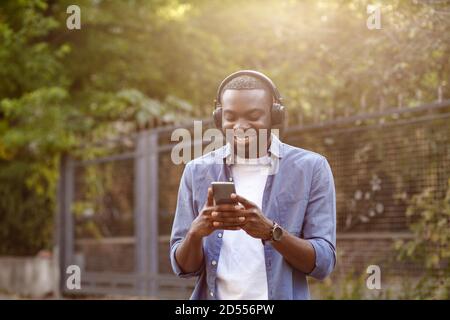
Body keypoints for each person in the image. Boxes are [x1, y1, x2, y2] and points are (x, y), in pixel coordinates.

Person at [170, 70, 336, 300]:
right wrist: (195, 233)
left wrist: (271, 232)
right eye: (230, 117)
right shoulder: (196, 171)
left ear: (274, 116)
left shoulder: (311, 168)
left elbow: (324, 262)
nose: (241, 126)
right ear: (219, 118)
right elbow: (183, 268)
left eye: (253, 116)